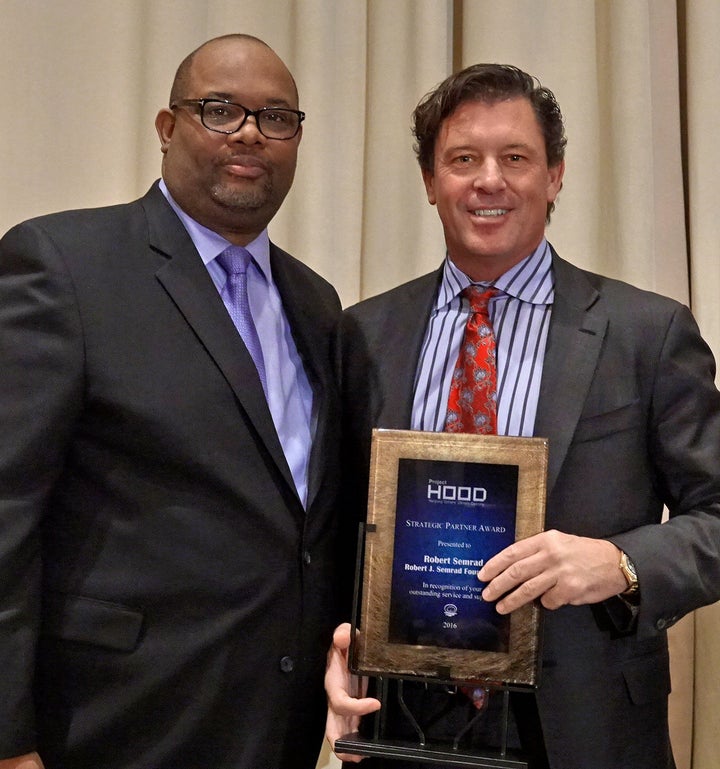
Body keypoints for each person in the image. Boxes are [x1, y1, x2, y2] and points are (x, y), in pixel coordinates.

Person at [325, 63, 720, 769]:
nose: (488, 180)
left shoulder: (646, 333)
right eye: (462, 159)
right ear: (429, 181)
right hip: (404, 725)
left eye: (515, 158)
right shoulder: (362, 334)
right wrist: (337, 647)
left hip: (586, 726)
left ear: (556, 174)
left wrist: (622, 562)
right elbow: (336, 529)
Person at [0, 34, 344, 769]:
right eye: (220, 110)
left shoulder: (317, 306)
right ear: (166, 127)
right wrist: (7, 739)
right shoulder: (63, 267)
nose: (251, 131)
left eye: (276, 116)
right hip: (109, 723)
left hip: (273, 724)